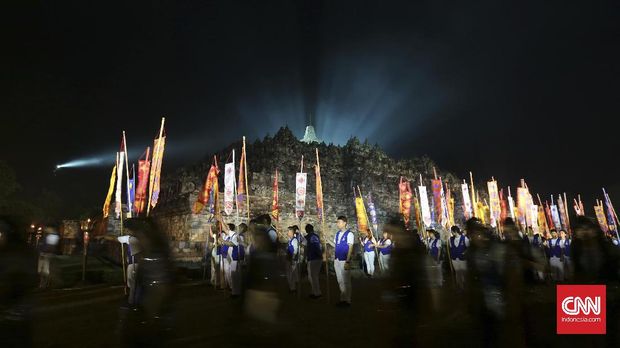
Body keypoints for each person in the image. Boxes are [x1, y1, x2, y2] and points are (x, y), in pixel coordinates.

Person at [218, 216, 243, 297]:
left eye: (239, 227)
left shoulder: (238, 236)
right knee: (232, 275)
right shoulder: (234, 235)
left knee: (235, 275)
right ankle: (233, 290)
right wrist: (222, 221)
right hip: (232, 257)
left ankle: (236, 292)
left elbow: (232, 244)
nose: (237, 228)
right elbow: (226, 230)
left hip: (237, 258)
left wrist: (224, 241)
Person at [333, 216, 353, 306]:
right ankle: (343, 298)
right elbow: (335, 245)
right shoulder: (337, 234)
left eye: (339, 222)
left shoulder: (349, 234)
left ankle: (347, 300)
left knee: (346, 281)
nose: (337, 224)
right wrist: (327, 240)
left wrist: (347, 261)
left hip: (344, 259)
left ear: (344, 223)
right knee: (340, 280)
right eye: (337, 222)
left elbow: (350, 248)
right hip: (337, 259)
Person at [304, 224, 323, 299]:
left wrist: (304, 258)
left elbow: (305, 248)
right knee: (313, 276)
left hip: (312, 258)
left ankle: (317, 293)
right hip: (318, 257)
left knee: (312, 276)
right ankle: (314, 291)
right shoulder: (316, 236)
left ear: (307, 230)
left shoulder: (307, 237)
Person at [449, 225, 469, 291]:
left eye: (452, 231)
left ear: (455, 231)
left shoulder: (464, 238)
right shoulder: (451, 239)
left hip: (462, 258)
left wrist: (465, 252)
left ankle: (465, 285)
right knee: (457, 272)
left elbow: (468, 248)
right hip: (454, 259)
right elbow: (451, 248)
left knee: (464, 272)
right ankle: (460, 286)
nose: (451, 233)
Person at [285, 225, 300, 293]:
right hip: (289, 259)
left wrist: (293, 259)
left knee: (291, 274)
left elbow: (295, 250)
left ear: (291, 232)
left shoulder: (294, 240)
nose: (287, 233)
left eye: (288, 231)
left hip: (292, 260)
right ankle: (292, 287)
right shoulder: (290, 240)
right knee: (290, 274)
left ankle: (293, 288)